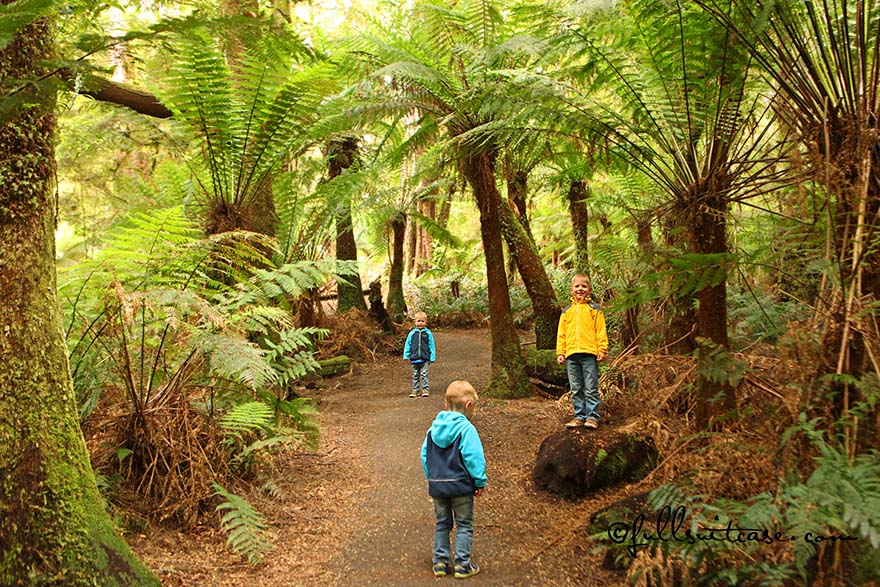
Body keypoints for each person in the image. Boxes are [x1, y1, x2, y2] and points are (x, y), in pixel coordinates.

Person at [421, 380, 486, 579]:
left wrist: (431, 478)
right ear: (468, 405)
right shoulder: (466, 429)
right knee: (464, 525)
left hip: (438, 486)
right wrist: (479, 481)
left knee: (442, 523)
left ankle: (440, 563)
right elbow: (473, 457)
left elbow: (424, 455)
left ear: (446, 405)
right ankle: (462, 565)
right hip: (461, 486)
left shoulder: (432, 430)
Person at [556, 273, 608, 429]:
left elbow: (600, 331)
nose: (580, 289)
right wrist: (560, 352)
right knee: (576, 388)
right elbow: (561, 334)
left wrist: (602, 349)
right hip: (571, 355)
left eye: (583, 286)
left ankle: (592, 417)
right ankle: (579, 416)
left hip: (589, 354)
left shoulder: (594, 310)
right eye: (577, 286)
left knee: (591, 387)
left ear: (589, 290)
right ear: (572, 290)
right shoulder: (566, 312)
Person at [403, 311, 436, 398]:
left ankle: (425, 389)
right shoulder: (412, 333)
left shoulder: (428, 333)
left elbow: (431, 345)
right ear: (415, 322)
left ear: (425, 322)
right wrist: (406, 355)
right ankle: (415, 389)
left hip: (425, 358)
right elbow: (408, 344)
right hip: (414, 358)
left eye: (422, 321)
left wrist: (432, 357)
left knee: (424, 374)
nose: (420, 323)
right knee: (415, 374)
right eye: (418, 321)